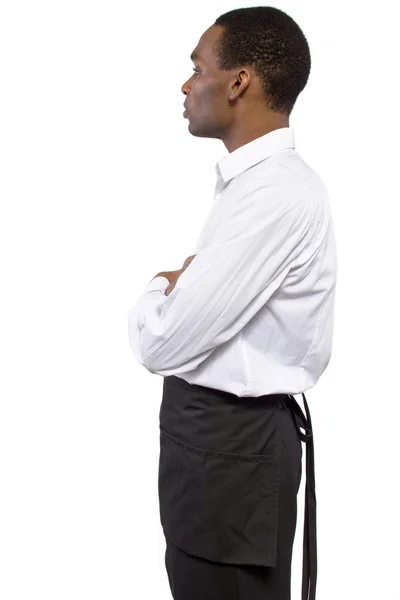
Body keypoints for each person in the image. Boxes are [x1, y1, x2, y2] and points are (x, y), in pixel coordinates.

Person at [127, 6, 337, 600]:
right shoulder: (252, 186)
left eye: (198, 67)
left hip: (232, 460)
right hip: (217, 457)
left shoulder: (275, 193)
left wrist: (157, 286)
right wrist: (183, 285)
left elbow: (162, 340)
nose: (187, 84)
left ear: (239, 80)